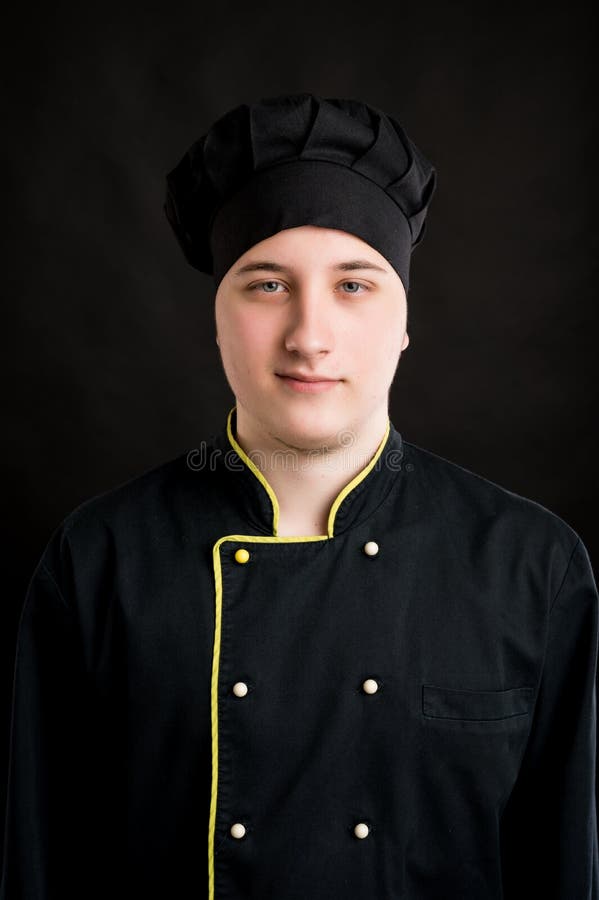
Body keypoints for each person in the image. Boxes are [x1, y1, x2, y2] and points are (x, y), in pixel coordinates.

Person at [1, 92, 597, 900]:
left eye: (354, 286)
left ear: (405, 321)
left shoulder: (532, 566)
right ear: (217, 317)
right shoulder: (99, 560)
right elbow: (40, 868)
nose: (308, 335)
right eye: (267, 285)